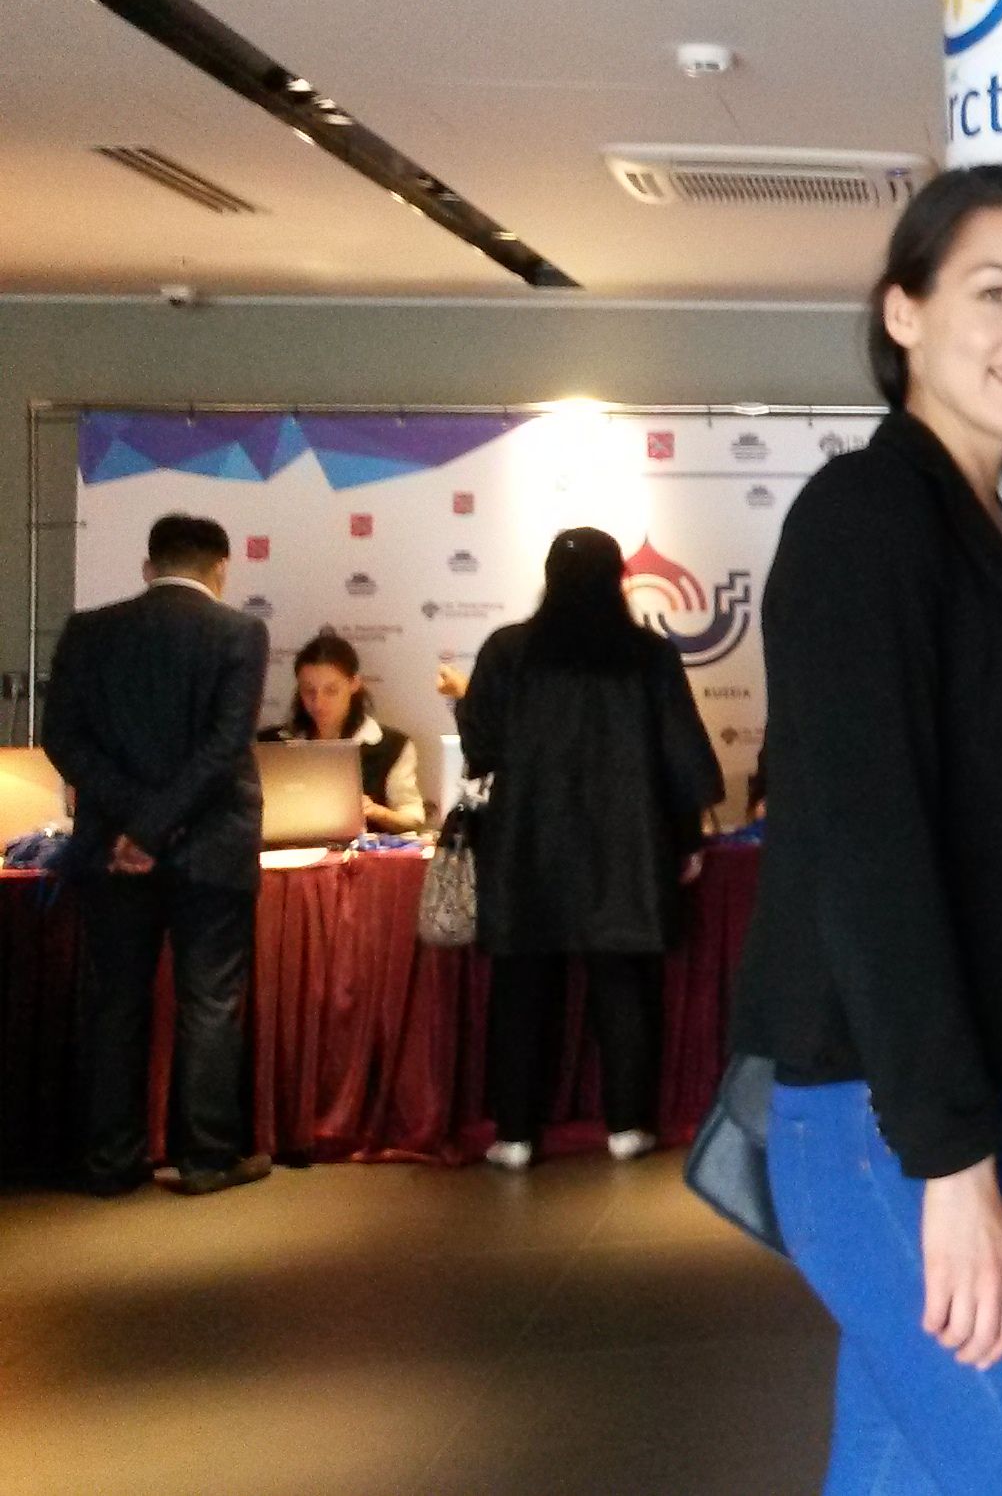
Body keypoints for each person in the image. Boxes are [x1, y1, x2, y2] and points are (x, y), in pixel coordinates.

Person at [728, 164, 1002, 1495]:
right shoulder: (866, 519)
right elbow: (872, 864)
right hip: (890, 1124)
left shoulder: (1000, 531)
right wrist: (953, 1165)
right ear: (903, 312)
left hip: (993, 1101)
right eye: (999, 294)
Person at [453, 527, 724, 1170]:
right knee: (623, 983)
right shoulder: (649, 656)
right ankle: (627, 1125)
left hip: (526, 846)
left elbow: (479, 745)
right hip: (625, 848)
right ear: (618, 581)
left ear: (548, 578)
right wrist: (687, 839)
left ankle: (516, 1134)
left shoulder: (507, 650)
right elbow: (680, 754)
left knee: (521, 990)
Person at [40, 512, 273, 1197]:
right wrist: (155, 827)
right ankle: (207, 1159)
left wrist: (133, 826)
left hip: (112, 850)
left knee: (115, 1004)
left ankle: (111, 1162)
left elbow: (62, 739)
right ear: (221, 568)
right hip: (210, 848)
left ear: (150, 567)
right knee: (210, 1002)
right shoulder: (240, 633)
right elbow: (224, 748)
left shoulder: (89, 631)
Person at [257, 630, 425, 832]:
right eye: (308, 691)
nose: (318, 702)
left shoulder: (391, 746)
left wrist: (377, 811)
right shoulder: (270, 744)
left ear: (354, 684)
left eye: (331, 691)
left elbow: (413, 818)